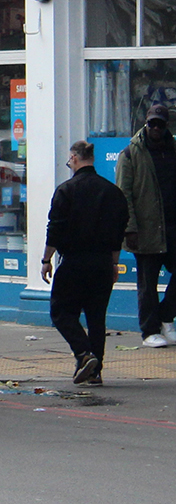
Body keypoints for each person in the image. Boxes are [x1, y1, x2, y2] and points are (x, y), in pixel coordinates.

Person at [41, 140, 129, 385]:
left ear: (74, 158)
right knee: (96, 317)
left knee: (61, 311)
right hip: (102, 263)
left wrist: (46, 259)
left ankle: (83, 353)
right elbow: (118, 233)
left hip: (74, 262)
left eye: (70, 160)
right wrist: (114, 264)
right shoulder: (113, 192)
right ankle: (95, 370)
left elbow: (55, 229)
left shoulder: (66, 190)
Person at [115, 103, 176, 348]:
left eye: (160, 124)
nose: (156, 128)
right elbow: (123, 195)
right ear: (146, 123)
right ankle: (149, 330)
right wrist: (130, 228)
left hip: (172, 227)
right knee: (147, 284)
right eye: (152, 123)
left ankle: (165, 317)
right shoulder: (131, 153)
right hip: (146, 229)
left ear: (166, 125)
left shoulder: (173, 150)